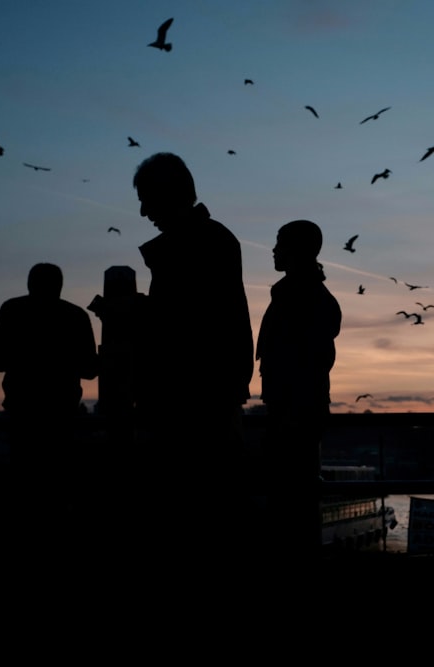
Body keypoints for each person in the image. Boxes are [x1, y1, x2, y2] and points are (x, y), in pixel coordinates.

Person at [131, 152, 255, 555]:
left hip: (190, 403)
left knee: (191, 516)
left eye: (147, 197)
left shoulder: (196, 245)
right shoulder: (212, 241)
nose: (143, 209)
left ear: (167, 195)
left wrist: (136, 313)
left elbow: (185, 326)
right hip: (207, 399)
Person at [0, 262, 99, 551]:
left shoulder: (12, 310)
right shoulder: (75, 315)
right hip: (61, 409)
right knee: (57, 476)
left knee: (25, 475)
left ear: (29, 283)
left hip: (23, 407)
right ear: (59, 285)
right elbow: (89, 369)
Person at [256, 220, 342, 559]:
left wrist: (289, 410)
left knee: (292, 496)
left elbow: (303, 360)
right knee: (297, 496)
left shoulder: (299, 295)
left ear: (296, 250)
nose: (274, 250)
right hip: (296, 407)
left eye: (280, 243)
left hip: (293, 410)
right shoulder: (308, 294)